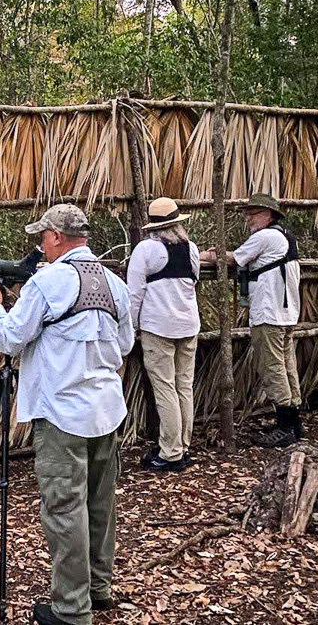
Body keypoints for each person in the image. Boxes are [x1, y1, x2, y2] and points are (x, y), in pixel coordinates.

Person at [0, 203, 134, 625]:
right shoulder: (114, 283)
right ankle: (98, 589)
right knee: (99, 503)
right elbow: (124, 345)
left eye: (42, 237)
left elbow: (11, 339)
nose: (40, 245)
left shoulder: (48, 282)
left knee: (65, 509)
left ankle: (70, 608)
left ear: (57, 238)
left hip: (61, 412)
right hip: (106, 408)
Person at [200, 192, 302, 448]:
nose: (248, 218)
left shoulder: (265, 236)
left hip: (270, 313)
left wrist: (207, 255)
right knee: (287, 366)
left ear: (268, 215)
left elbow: (233, 258)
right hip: (285, 313)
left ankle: (285, 427)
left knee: (273, 368)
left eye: (253, 213)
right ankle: (293, 423)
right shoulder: (284, 236)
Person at [126, 197, 201, 473]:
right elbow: (193, 282)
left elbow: (134, 293)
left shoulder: (146, 250)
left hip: (159, 327)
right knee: (184, 386)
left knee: (165, 387)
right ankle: (183, 445)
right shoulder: (191, 249)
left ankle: (170, 452)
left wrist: (132, 326)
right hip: (189, 324)